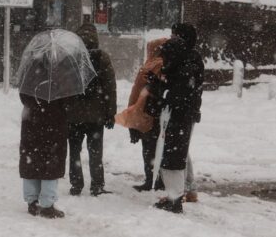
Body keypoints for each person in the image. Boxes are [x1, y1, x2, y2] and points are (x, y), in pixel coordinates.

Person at [148, 23, 204, 213]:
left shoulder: (184, 57)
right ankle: (177, 194)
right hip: (183, 111)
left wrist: (163, 86)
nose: (170, 39)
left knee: (174, 153)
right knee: (175, 152)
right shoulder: (190, 58)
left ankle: (175, 199)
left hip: (179, 112)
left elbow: (180, 87)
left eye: (174, 35)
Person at [66, 23, 117, 196]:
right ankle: (97, 185)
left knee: (74, 151)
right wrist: (110, 114)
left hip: (73, 116)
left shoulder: (71, 57)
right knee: (96, 152)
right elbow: (110, 87)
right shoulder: (102, 57)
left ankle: (76, 184)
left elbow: (63, 87)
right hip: (96, 116)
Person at [120, 37, 168, 192]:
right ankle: (157, 180)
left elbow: (138, 92)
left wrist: (132, 114)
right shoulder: (163, 65)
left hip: (147, 110)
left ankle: (151, 180)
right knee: (157, 147)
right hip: (157, 111)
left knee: (149, 147)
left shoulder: (152, 65)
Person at [20, 92, 68, 218]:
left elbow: (23, 97)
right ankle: (47, 204)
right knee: (51, 165)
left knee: (31, 162)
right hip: (53, 125)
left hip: (31, 123)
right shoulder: (60, 78)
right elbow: (67, 103)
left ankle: (32, 202)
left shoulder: (29, 76)